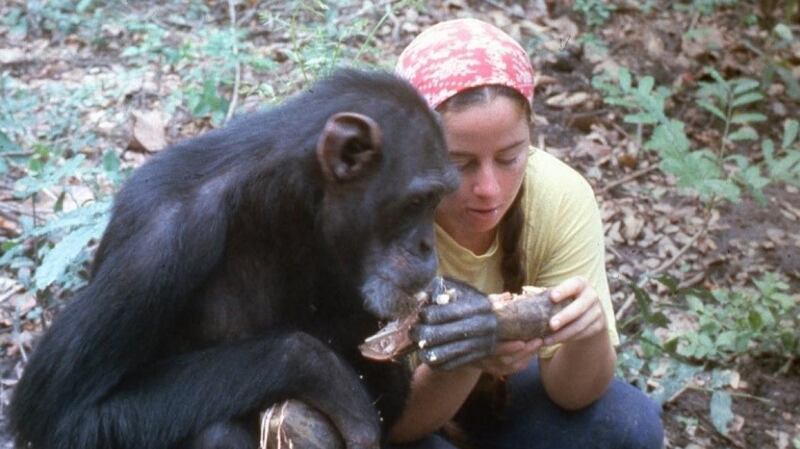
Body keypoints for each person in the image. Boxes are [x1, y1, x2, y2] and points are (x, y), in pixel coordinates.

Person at [389, 18, 664, 449]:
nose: (488, 189)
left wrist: (587, 332)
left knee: (628, 424)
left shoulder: (557, 196)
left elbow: (573, 395)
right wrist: (467, 355)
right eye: (458, 163)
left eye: (510, 157)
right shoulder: (375, 214)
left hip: (500, 393)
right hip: (399, 412)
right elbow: (382, 425)